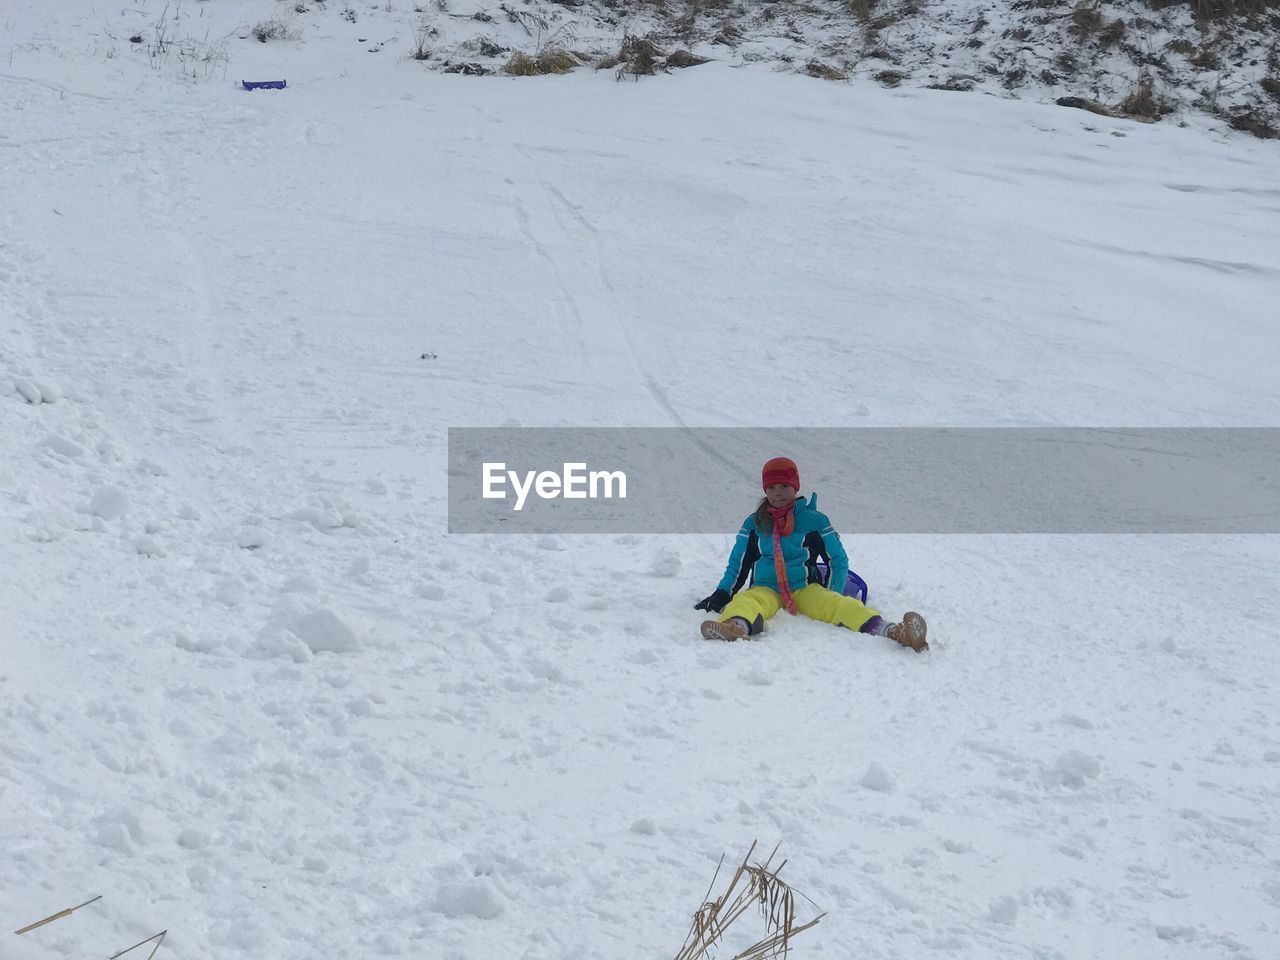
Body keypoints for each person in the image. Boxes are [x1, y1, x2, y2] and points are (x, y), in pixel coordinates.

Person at [694, 457, 928, 651]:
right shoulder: (755, 523)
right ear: (765, 489)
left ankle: (896, 632)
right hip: (765, 587)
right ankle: (735, 628)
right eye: (772, 487)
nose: (778, 493)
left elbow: (837, 559)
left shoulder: (814, 521)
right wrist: (723, 593)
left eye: (784, 486)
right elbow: (738, 562)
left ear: (795, 486)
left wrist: (833, 592)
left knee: (841, 605)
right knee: (746, 601)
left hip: (804, 588)